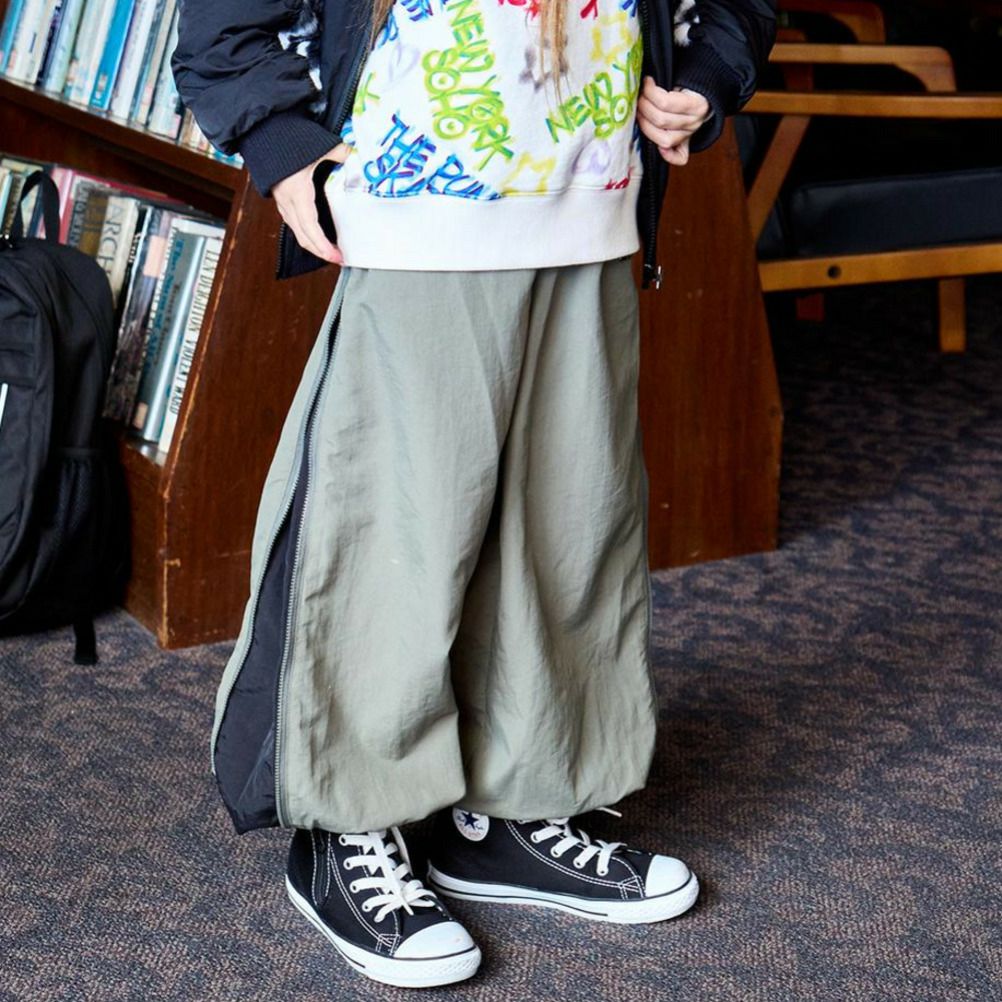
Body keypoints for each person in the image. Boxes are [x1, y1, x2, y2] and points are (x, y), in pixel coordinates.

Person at [173, 0, 776, 988]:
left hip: (593, 205)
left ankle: (515, 808)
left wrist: (709, 74)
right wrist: (282, 145)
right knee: (388, 539)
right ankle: (348, 826)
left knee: (570, 531)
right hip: (412, 214)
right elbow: (223, 23)